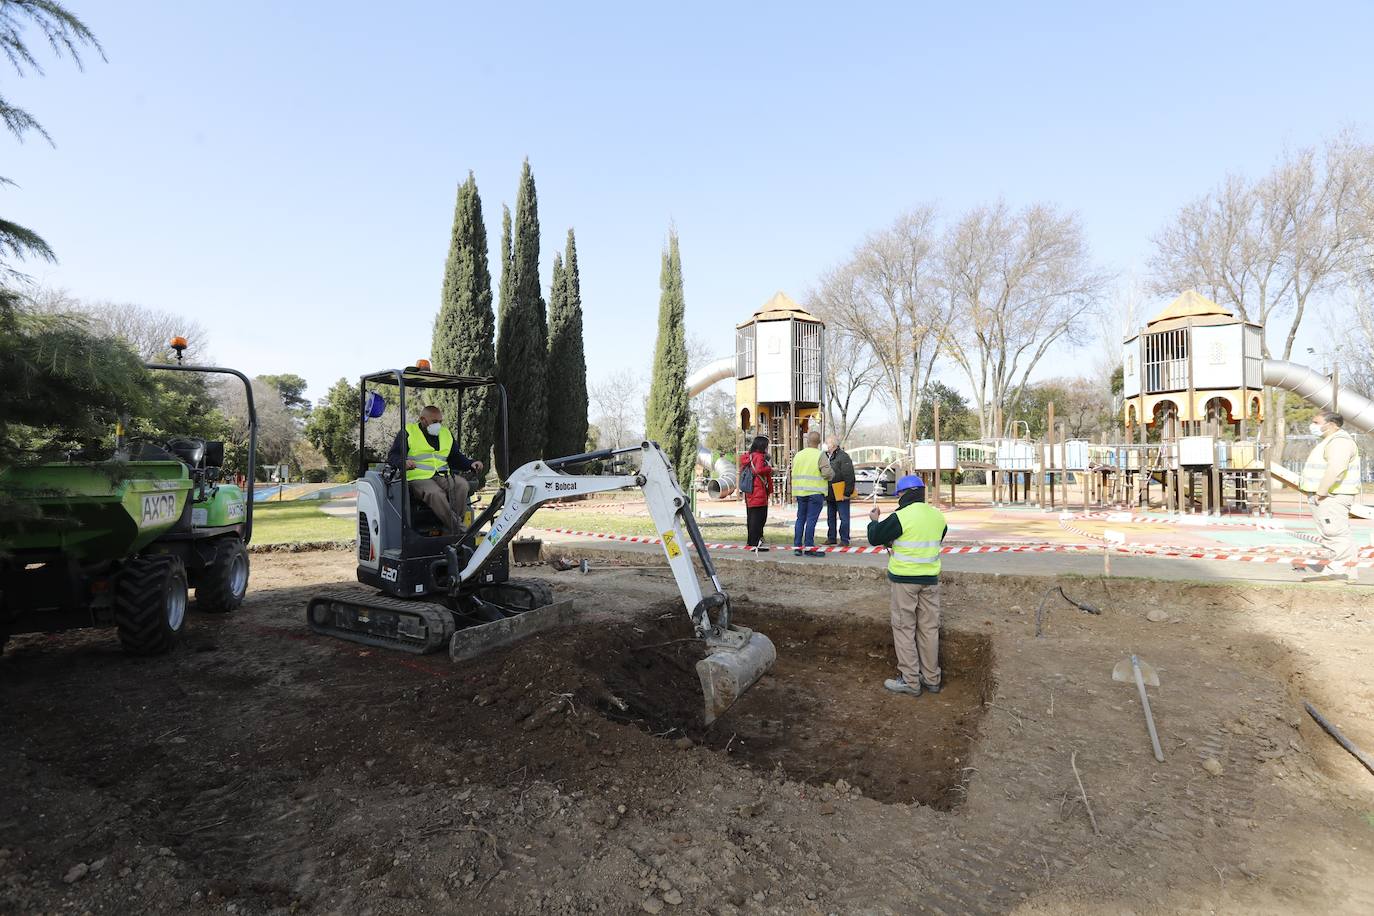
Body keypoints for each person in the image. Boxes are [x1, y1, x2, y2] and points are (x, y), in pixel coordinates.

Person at [867, 474, 948, 696]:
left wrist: (874, 521)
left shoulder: (901, 516)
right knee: (929, 629)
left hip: (905, 581)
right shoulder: (937, 516)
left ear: (903, 494)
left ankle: (910, 680)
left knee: (904, 629)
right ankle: (932, 678)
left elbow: (875, 537)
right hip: (930, 581)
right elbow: (934, 538)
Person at [386, 405, 484, 536]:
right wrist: (402, 462)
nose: (438, 425)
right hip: (417, 478)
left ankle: (450, 529)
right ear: (423, 419)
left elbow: (455, 457)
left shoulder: (445, 434)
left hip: (442, 475)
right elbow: (393, 456)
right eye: (434, 422)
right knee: (435, 493)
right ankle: (460, 531)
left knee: (461, 485)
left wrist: (471, 463)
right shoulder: (408, 432)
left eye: (440, 421)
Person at [1301, 409, 1362, 582]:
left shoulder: (1340, 442)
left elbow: (1336, 468)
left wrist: (1322, 491)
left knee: (1335, 533)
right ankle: (1342, 571)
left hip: (1332, 496)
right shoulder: (1330, 441)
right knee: (1331, 533)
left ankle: (1339, 572)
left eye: (1316, 422)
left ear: (1331, 424)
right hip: (1328, 495)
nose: (1312, 426)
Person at [790, 429, 834, 557]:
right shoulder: (820, 455)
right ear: (819, 442)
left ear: (807, 441)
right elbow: (827, 473)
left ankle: (797, 547)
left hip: (800, 492)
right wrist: (832, 474)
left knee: (800, 519)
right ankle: (809, 547)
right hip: (815, 492)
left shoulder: (798, 455)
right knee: (811, 520)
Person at [740, 435, 774, 551]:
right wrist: (770, 469)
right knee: (759, 518)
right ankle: (756, 543)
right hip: (758, 490)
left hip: (750, 491)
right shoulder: (759, 457)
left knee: (751, 517)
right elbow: (758, 470)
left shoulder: (748, 457)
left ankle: (751, 542)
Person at [822, 434, 857, 547]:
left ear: (833, 444)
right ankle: (831, 537)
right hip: (830, 493)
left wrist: (847, 492)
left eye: (827, 443)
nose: (825, 445)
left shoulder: (843, 457)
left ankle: (844, 539)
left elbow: (849, 475)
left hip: (841, 492)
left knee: (844, 517)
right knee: (830, 517)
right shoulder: (826, 456)